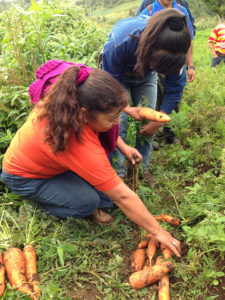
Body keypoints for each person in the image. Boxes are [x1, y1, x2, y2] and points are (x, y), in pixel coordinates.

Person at [1, 60, 181, 257]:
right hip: (24, 176)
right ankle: (41, 204)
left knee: (106, 196)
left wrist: (123, 146)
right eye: (112, 119)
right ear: (85, 114)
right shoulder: (73, 139)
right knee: (89, 202)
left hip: (50, 163)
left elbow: (116, 189)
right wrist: (158, 232)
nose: (115, 124)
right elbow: (122, 196)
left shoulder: (70, 96)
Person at [102, 9, 191, 182]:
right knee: (119, 125)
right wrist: (126, 108)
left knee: (148, 125)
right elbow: (109, 81)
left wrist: (157, 121)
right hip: (118, 78)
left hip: (147, 77)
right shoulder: (122, 41)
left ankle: (143, 169)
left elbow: (174, 89)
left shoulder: (177, 51)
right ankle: (118, 175)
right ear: (150, 50)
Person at [138, 0, 196, 147]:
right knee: (155, 96)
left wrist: (190, 65)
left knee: (174, 96)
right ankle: (153, 134)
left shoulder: (182, 10)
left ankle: (170, 132)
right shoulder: (149, 10)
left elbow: (188, 41)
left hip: (175, 59)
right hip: (155, 62)